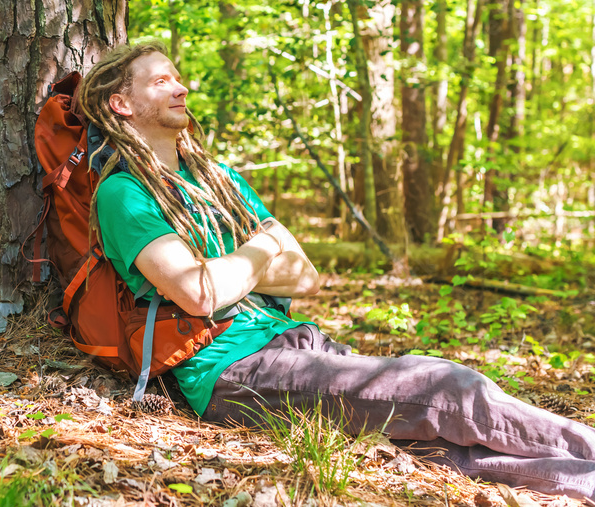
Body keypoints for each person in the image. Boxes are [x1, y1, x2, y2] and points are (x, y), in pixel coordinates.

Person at [76, 40, 595, 502]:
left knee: (430, 442)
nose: (181, 87)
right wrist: (260, 247)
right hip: (233, 370)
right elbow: (201, 294)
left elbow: (305, 276)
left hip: (297, 341)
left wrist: (237, 266)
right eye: (161, 80)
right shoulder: (125, 193)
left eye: (178, 75)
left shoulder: (217, 177)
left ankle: (582, 479)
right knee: (446, 387)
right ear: (122, 104)